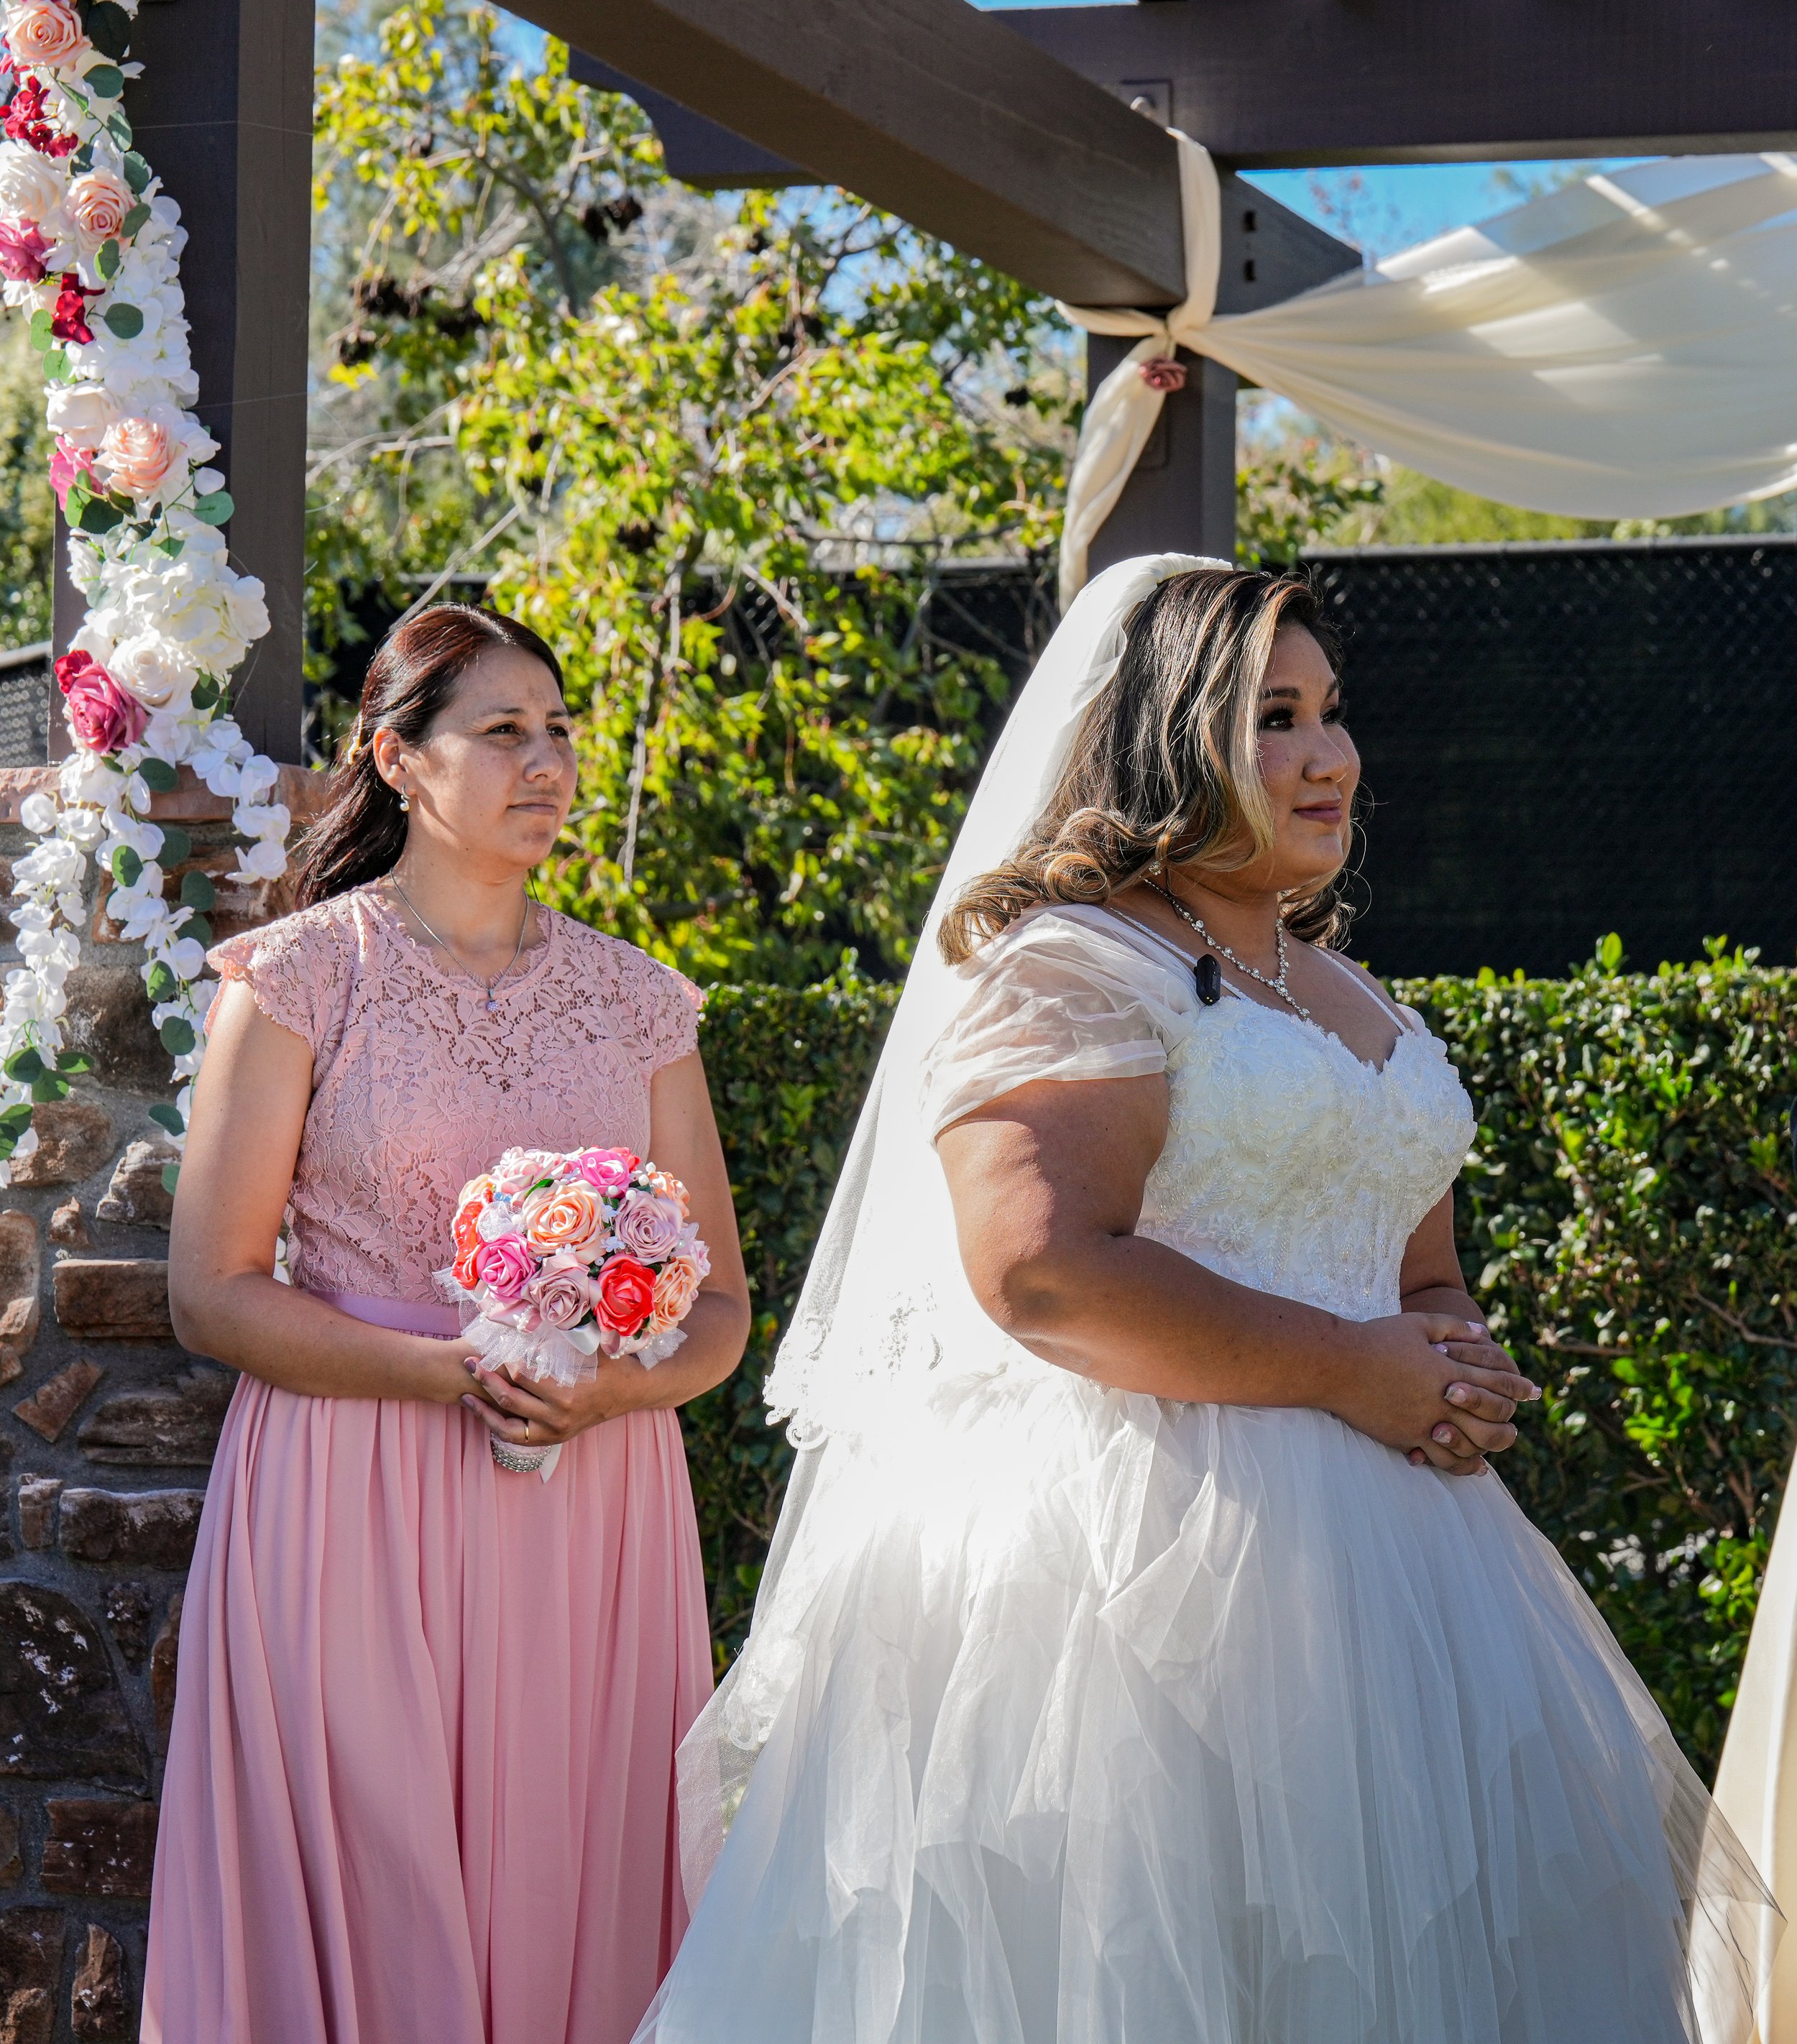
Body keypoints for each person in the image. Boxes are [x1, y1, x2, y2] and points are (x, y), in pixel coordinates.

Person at [639, 558, 1770, 2044]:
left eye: (1331, 713)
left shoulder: (1348, 993)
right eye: (1273, 720)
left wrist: (1455, 1359)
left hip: (1403, 1582)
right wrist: (1349, 1372)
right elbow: (1041, 1271)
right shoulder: (1077, 966)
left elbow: (1412, 1272)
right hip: (1123, 1569)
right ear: (1174, 743)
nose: (1328, 756)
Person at [143, 603, 750, 2044]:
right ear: (397, 761)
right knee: (372, 1872)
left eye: (558, 731)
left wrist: (609, 1393)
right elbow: (211, 1290)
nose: (546, 763)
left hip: (590, 1503)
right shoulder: (300, 979)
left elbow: (719, 1306)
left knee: (573, 1865)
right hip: (347, 1491)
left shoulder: (638, 1001)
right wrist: (441, 1369)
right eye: (501, 732)